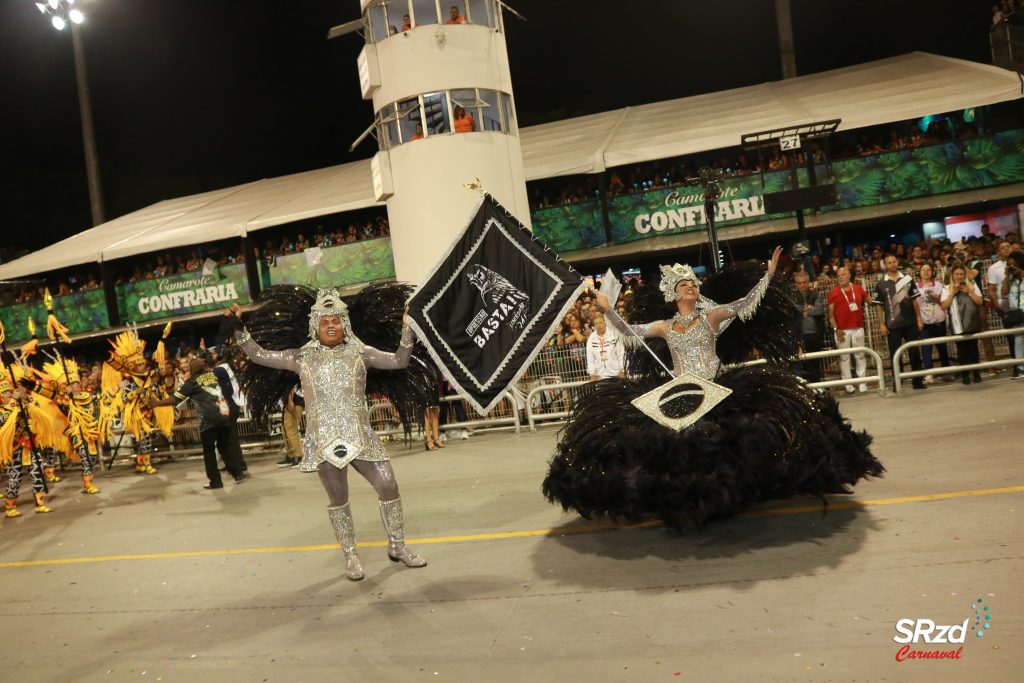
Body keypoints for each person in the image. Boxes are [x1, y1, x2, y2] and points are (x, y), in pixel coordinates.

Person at [542, 249, 882, 529]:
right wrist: (607, 308)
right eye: (685, 284)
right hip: (679, 395)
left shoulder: (712, 318)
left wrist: (769, 273)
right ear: (674, 293)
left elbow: (746, 303)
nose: (692, 286)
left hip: (714, 391)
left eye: (693, 282)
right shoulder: (664, 325)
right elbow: (629, 332)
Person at [229, 286, 435, 581]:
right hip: (324, 441)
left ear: (344, 324)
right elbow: (259, 354)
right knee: (338, 498)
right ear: (315, 326)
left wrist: (407, 330)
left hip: (361, 436)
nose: (331, 325)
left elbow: (399, 361)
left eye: (335, 320)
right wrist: (239, 327)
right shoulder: (301, 357)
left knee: (388, 485)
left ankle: (397, 546)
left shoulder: (360, 352)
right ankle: (351, 556)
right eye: (325, 321)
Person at [151, 359, 247, 489]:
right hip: (224, 415)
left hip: (208, 420)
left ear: (191, 369)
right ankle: (238, 473)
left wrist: (156, 404)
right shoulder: (212, 376)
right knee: (226, 446)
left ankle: (215, 481)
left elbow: (175, 399)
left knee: (209, 451)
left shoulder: (192, 382)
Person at [98, 328, 175, 474]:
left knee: (146, 439)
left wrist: (163, 339)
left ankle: (140, 463)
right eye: (140, 365)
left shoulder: (148, 378)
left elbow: (156, 384)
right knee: (144, 439)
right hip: (136, 415)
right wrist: (135, 393)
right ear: (133, 366)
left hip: (148, 412)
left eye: (143, 364)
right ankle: (147, 465)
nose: (143, 366)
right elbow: (125, 398)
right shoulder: (129, 382)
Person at [873, 255, 926, 390]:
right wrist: (881, 324)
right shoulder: (880, 284)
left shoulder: (907, 279)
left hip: (910, 323)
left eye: (894, 261)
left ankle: (918, 382)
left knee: (914, 352)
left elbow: (915, 301)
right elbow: (878, 306)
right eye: (889, 262)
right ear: (885, 265)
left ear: (897, 262)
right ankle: (897, 383)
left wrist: (919, 318)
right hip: (892, 326)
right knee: (895, 355)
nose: (892, 264)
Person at [827, 267, 869, 393]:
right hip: (842, 331)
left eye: (843, 274)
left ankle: (862, 383)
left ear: (849, 275)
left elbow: (870, 300)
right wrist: (836, 328)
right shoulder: (833, 292)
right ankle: (848, 385)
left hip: (858, 328)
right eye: (838, 275)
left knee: (860, 356)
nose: (840, 277)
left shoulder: (858, 288)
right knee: (844, 358)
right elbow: (830, 314)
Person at [941, 264, 985, 384]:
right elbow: (944, 306)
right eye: (957, 274)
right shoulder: (946, 288)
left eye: (961, 274)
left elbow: (980, 302)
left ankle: (976, 373)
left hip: (971, 322)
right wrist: (953, 293)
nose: (959, 276)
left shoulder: (972, 285)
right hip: (957, 324)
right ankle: (965, 375)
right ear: (952, 275)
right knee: (962, 350)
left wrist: (970, 292)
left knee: (973, 349)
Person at [916, 263, 951, 383]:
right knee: (926, 349)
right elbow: (914, 305)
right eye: (923, 269)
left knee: (942, 348)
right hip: (924, 323)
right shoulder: (916, 287)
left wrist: (936, 298)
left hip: (938, 322)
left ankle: (946, 372)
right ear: (919, 272)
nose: (926, 272)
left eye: (928, 270)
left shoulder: (939, 285)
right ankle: (929, 374)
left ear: (932, 272)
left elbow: (944, 302)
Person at [793, 272, 825, 383]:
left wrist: (802, 310)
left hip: (815, 335)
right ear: (796, 284)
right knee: (803, 365)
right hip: (799, 336)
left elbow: (819, 310)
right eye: (799, 283)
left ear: (808, 282)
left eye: (804, 282)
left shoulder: (816, 294)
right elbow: (793, 309)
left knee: (816, 363)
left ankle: (818, 386)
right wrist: (809, 308)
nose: (802, 285)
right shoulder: (792, 296)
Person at [999, 250, 1024, 378]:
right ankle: (1020, 369)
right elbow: (1003, 292)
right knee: (1019, 341)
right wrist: (1007, 277)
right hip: (1016, 314)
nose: (1011, 267)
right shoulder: (1010, 277)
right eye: (1009, 265)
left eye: (1013, 265)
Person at [585, 312, 625, 381]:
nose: (599, 325)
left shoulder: (614, 335)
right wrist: (592, 373)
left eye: (600, 323)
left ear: (605, 323)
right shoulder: (591, 338)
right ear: (594, 325)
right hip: (600, 376)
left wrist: (622, 369)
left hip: (616, 374)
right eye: (596, 324)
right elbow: (590, 358)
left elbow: (621, 354)